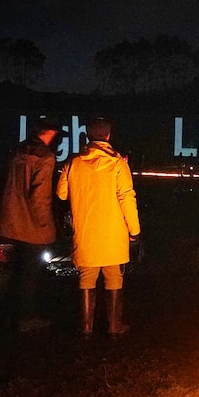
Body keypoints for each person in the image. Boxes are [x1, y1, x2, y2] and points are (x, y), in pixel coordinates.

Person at [56, 116, 141, 337]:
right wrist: (135, 230)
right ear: (108, 136)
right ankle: (114, 328)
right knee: (114, 277)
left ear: (87, 135)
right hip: (113, 233)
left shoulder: (73, 163)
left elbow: (61, 193)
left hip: (85, 232)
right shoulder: (118, 164)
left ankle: (86, 329)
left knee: (86, 278)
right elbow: (127, 198)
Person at [0, 117, 61, 332]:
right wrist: (46, 227)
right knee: (30, 274)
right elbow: (40, 197)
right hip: (32, 225)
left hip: (12, 222)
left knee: (16, 270)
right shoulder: (45, 157)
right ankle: (26, 318)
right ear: (50, 133)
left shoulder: (18, 151)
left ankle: (8, 315)